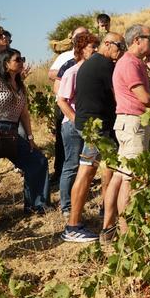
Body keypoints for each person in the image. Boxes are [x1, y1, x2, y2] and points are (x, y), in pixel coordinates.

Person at [0, 48, 49, 233]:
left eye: (22, 59)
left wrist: (30, 138)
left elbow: (25, 115)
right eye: (17, 59)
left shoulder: (21, 86)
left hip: (12, 133)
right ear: (6, 63)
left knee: (38, 161)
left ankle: (36, 206)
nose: (21, 62)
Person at [62, 32, 124, 243]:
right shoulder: (105, 65)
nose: (120, 50)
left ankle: (105, 214)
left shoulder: (91, 63)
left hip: (90, 126)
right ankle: (72, 226)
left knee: (107, 170)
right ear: (107, 44)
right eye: (118, 45)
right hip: (96, 129)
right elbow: (119, 95)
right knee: (87, 173)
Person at [103, 25, 150, 236]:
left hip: (133, 123)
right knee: (131, 179)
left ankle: (111, 229)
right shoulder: (129, 64)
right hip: (133, 124)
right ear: (137, 39)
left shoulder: (136, 63)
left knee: (122, 176)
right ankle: (128, 234)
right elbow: (147, 99)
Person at [55, 32, 99, 217]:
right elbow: (61, 100)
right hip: (72, 126)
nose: (95, 50)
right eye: (92, 47)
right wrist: (76, 120)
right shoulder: (72, 72)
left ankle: (77, 201)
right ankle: (66, 207)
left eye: (97, 46)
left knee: (88, 164)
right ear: (81, 50)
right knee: (72, 164)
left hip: (86, 126)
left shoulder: (92, 72)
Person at [48, 26, 89, 184]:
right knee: (62, 142)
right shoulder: (65, 56)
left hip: (81, 106)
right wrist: (67, 71)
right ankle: (59, 173)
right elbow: (51, 73)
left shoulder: (91, 54)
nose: (82, 36)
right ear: (71, 37)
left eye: (85, 34)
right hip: (63, 102)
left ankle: (80, 176)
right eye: (78, 34)